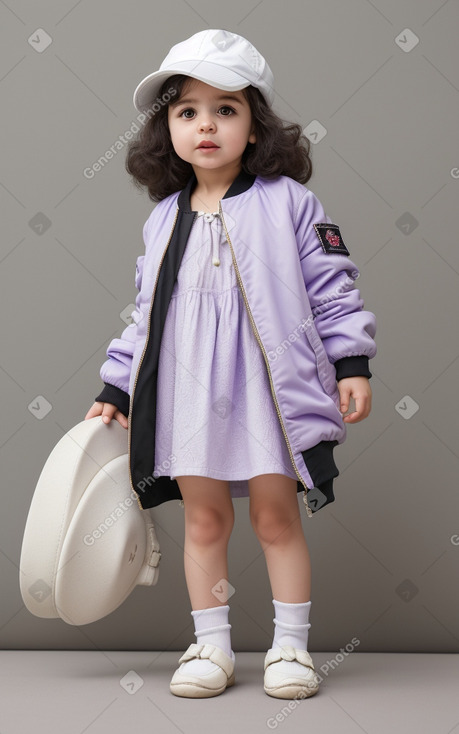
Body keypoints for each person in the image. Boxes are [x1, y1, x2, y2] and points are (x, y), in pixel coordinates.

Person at [85, 29, 377, 700]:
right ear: (168, 131)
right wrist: (118, 383)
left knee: (276, 516)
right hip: (189, 393)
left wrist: (350, 362)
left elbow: (333, 287)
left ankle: (290, 650)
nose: (205, 124)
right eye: (186, 111)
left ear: (254, 128)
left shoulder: (291, 205)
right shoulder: (162, 220)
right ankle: (210, 645)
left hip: (268, 391)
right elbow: (144, 315)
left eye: (225, 108)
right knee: (203, 519)